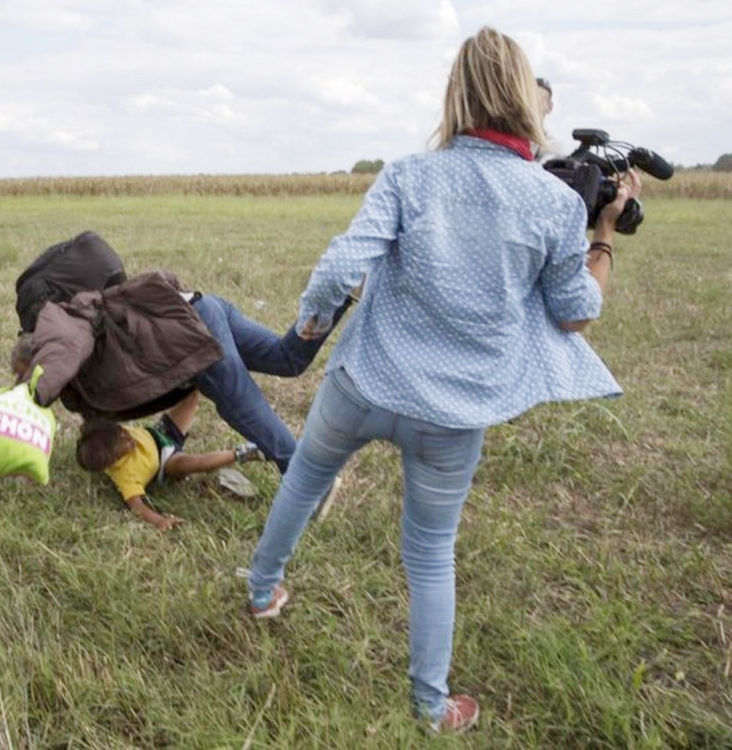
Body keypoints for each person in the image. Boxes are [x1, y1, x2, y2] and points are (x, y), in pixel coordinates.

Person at [243, 26, 642, 734]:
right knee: (429, 552)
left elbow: (340, 268)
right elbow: (577, 313)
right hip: (454, 414)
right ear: (528, 100)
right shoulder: (555, 204)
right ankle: (431, 705)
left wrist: (309, 326)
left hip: (364, 382)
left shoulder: (408, 174)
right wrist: (602, 231)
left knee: (304, 479)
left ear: (456, 94)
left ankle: (261, 591)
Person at [13, 267, 354, 477]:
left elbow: (61, 355)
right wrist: (27, 458)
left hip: (188, 333)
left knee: (239, 403)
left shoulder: (63, 335)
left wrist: (28, 396)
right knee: (286, 359)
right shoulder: (81, 388)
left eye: (25, 373)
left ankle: (308, 479)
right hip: (199, 308)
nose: (23, 381)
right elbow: (98, 426)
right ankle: (336, 294)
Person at [74, 390, 265, 531]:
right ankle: (244, 453)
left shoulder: (110, 435)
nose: (127, 435)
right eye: (123, 441)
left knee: (191, 394)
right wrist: (159, 520)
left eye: (122, 431)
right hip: (166, 462)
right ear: (114, 458)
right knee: (189, 464)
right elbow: (137, 507)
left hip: (162, 433)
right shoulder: (126, 476)